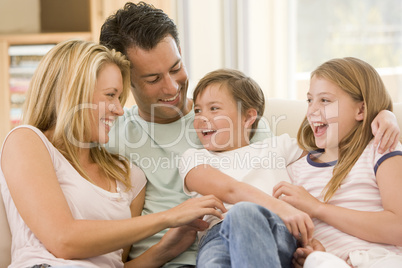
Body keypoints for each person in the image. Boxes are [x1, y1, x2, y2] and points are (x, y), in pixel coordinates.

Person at [99, 2, 401, 267]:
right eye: (153, 79)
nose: (172, 87)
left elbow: (330, 132)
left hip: (263, 236)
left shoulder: (251, 128)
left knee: (245, 216)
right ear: (126, 82)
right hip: (191, 250)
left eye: (176, 68)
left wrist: (383, 112)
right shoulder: (112, 136)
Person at [0, 39, 226, 268]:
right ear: (73, 93)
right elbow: (63, 240)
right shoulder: (27, 141)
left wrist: (163, 251)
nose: (119, 110)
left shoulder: (129, 176)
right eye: (110, 95)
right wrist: (168, 217)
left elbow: (115, 265)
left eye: (120, 98)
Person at [272, 57, 402, 268]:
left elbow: (399, 228)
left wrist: (318, 208)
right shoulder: (294, 171)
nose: (312, 110)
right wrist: (306, 251)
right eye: (309, 100)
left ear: (361, 110)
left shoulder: (381, 150)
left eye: (325, 100)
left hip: (380, 260)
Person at [178, 68, 315, 267]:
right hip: (218, 236)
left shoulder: (277, 146)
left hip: (274, 228)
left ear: (248, 117)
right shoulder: (194, 158)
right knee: (238, 217)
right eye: (198, 110)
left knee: (244, 213)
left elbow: (334, 146)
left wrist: (378, 113)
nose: (201, 118)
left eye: (214, 108)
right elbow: (229, 189)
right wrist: (282, 207)